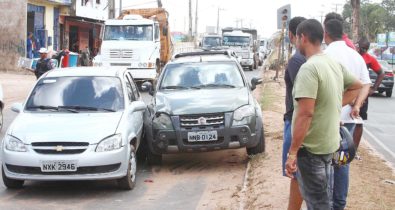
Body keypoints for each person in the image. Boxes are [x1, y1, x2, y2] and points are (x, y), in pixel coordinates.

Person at [285, 19, 362, 210]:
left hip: (311, 149)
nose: (296, 43)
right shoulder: (332, 63)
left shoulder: (309, 68)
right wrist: (333, 103)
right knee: (323, 200)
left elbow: (305, 114)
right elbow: (356, 86)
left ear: (303, 37)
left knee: (320, 205)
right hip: (328, 145)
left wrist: (292, 152)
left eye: (297, 38)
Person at [324, 18, 371, 210]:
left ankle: (326, 204)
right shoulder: (355, 56)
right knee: (342, 162)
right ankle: (339, 205)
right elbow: (365, 83)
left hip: (329, 120)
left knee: (326, 163)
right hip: (349, 120)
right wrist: (357, 104)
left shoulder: (325, 55)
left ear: (325, 33)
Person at [282, 16, 306, 210]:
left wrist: (293, 150)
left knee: (296, 174)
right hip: (301, 120)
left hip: (297, 120)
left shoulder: (296, 61)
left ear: (293, 35)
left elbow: (304, 102)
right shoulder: (315, 60)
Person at [353, 37, 385, 149]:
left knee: (358, 122)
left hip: (362, 94)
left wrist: (373, 88)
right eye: (360, 47)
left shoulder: (369, 59)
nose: (362, 50)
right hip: (350, 92)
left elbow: (381, 73)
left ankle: (354, 149)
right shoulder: (352, 55)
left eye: (364, 49)